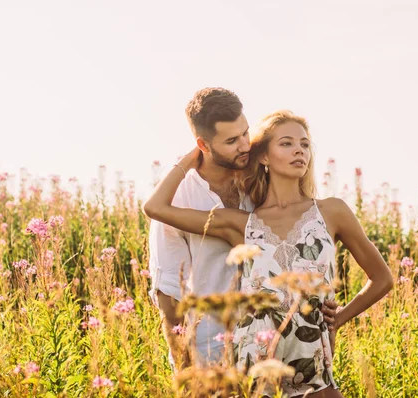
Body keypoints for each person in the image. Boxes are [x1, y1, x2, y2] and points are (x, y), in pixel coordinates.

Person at [144, 109, 394, 397]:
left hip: (313, 368)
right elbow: (156, 208)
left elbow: (382, 278)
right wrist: (192, 158)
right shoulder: (241, 222)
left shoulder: (332, 212)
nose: (299, 151)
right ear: (263, 156)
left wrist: (339, 318)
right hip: (253, 366)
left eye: (304, 144)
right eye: (286, 143)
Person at [147, 87, 341, 370]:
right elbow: (168, 292)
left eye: (245, 133)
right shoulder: (179, 197)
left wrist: (322, 303)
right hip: (209, 351)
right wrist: (184, 364)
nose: (244, 145)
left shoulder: (261, 183)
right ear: (203, 145)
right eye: (231, 141)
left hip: (270, 347)